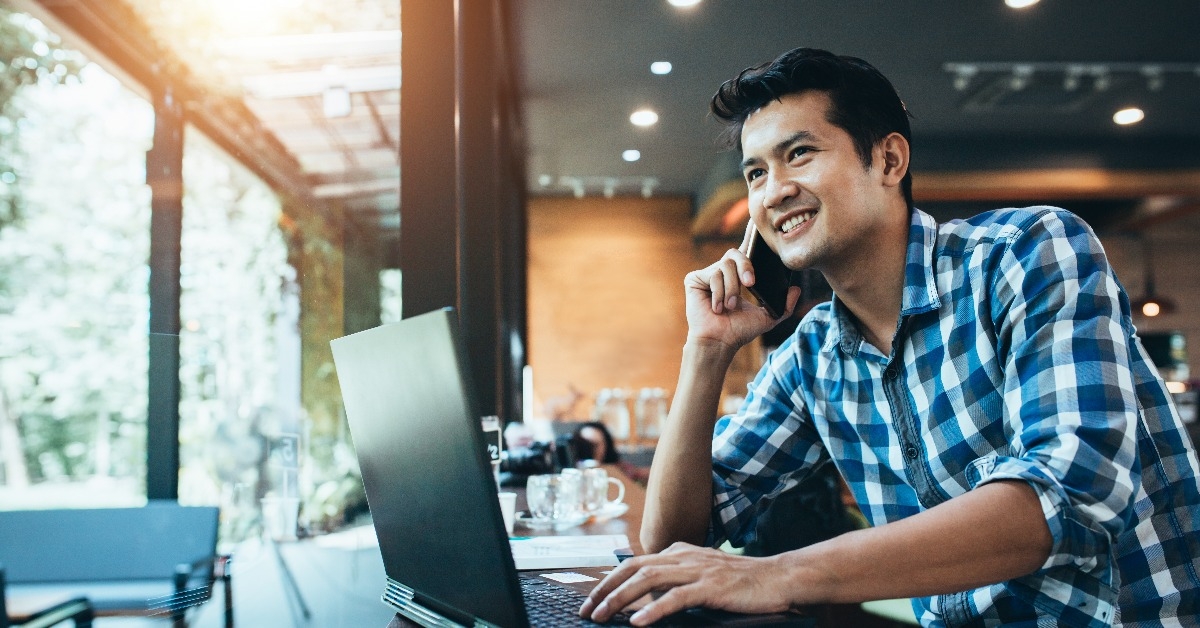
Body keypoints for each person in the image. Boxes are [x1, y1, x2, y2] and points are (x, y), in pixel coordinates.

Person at [580, 47, 1200, 627]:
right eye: (754, 173)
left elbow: (1071, 491)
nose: (773, 192)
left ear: (889, 160)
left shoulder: (1025, 253)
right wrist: (707, 351)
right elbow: (672, 544)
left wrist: (781, 573)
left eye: (799, 154)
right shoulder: (813, 355)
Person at [571, 421, 650, 484]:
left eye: (595, 445)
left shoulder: (620, 470)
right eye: (585, 445)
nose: (589, 449)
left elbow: (641, 474)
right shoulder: (571, 474)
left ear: (606, 445)